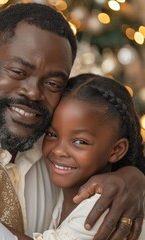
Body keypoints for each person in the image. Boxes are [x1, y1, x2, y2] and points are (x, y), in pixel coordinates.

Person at [0, 3, 144, 240]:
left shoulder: (50, 136)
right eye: (18, 72)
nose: (33, 93)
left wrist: (132, 176)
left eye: (53, 84)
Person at [32, 73, 145, 239]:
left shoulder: (104, 207)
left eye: (80, 141)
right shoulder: (58, 189)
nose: (59, 151)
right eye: (51, 134)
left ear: (116, 150)